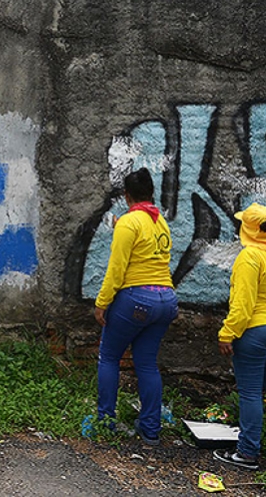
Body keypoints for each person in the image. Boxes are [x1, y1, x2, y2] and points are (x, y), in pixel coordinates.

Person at [89, 167, 177, 446]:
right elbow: (147, 249)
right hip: (166, 299)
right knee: (147, 363)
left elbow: (117, 269)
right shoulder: (159, 221)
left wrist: (102, 303)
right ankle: (150, 429)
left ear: (126, 196)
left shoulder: (130, 222)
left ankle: (105, 421)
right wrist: (121, 226)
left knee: (110, 356)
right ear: (151, 193)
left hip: (137, 299)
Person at [213, 203, 266, 471]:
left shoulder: (249, 257)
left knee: (250, 393)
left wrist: (228, 333)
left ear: (247, 228)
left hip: (256, 331)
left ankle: (247, 452)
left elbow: (243, 304)